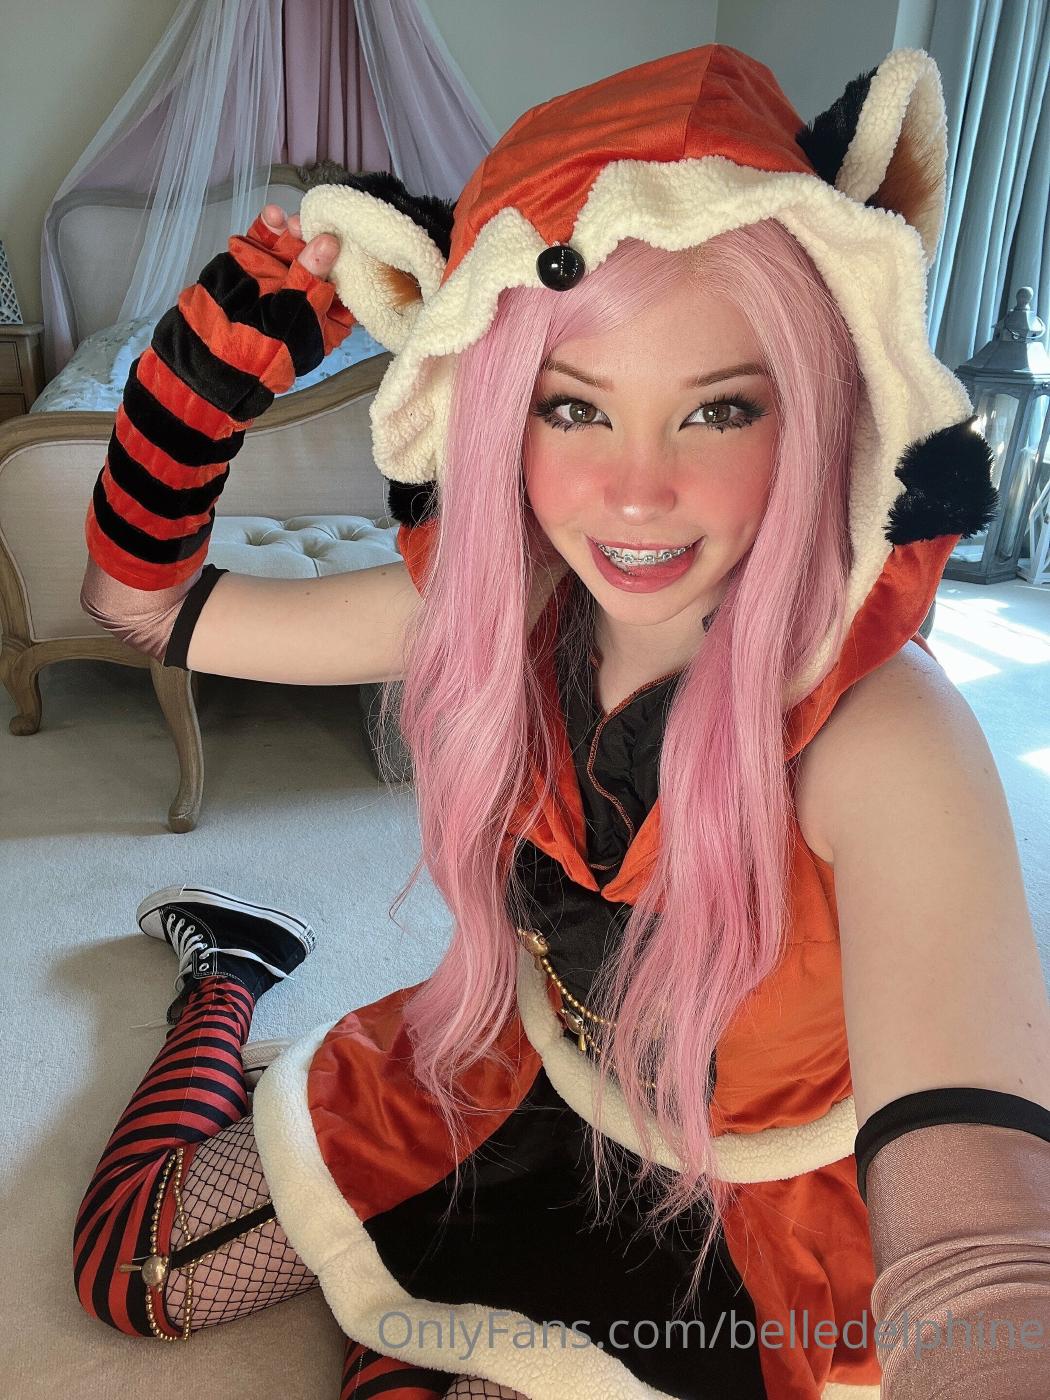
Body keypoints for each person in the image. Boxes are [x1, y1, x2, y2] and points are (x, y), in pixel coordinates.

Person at [73, 43, 1050, 1400]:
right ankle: (230, 974)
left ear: (817, 411)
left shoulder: (885, 737)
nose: (635, 495)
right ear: (499, 418)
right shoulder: (500, 609)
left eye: (719, 408)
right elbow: (143, 611)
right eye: (573, 406)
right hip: (520, 1068)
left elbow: (980, 1240)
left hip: (758, 1207)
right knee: (131, 1274)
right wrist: (200, 378)